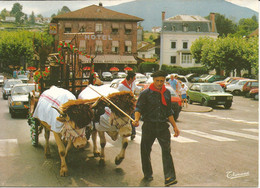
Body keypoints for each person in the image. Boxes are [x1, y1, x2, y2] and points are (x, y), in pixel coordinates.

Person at [132, 70, 180, 186]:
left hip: (163, 127)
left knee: (166, 151)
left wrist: (175, 126)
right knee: (145, 150)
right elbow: (138, 109)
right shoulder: (145, 93)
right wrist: (137, 119)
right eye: (157, 81)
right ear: (153, 80)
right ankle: (148, 173)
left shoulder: (167, 93)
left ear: (164, 81)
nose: (159, 83)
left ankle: (170, 177)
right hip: (149, 126)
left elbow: (169, 112)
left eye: (162, 81)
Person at [118, 71, 141, 140]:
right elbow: (117, 94)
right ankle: (122, 131)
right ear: (130, 78)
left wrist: (142, 89)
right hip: (124, 105)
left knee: (132, 118)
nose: (135, 79)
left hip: (131, 104)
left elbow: (136, 88)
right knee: (124, 119)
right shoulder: (121, 86)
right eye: (134, 78)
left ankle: (133, 133)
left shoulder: (132, 83)